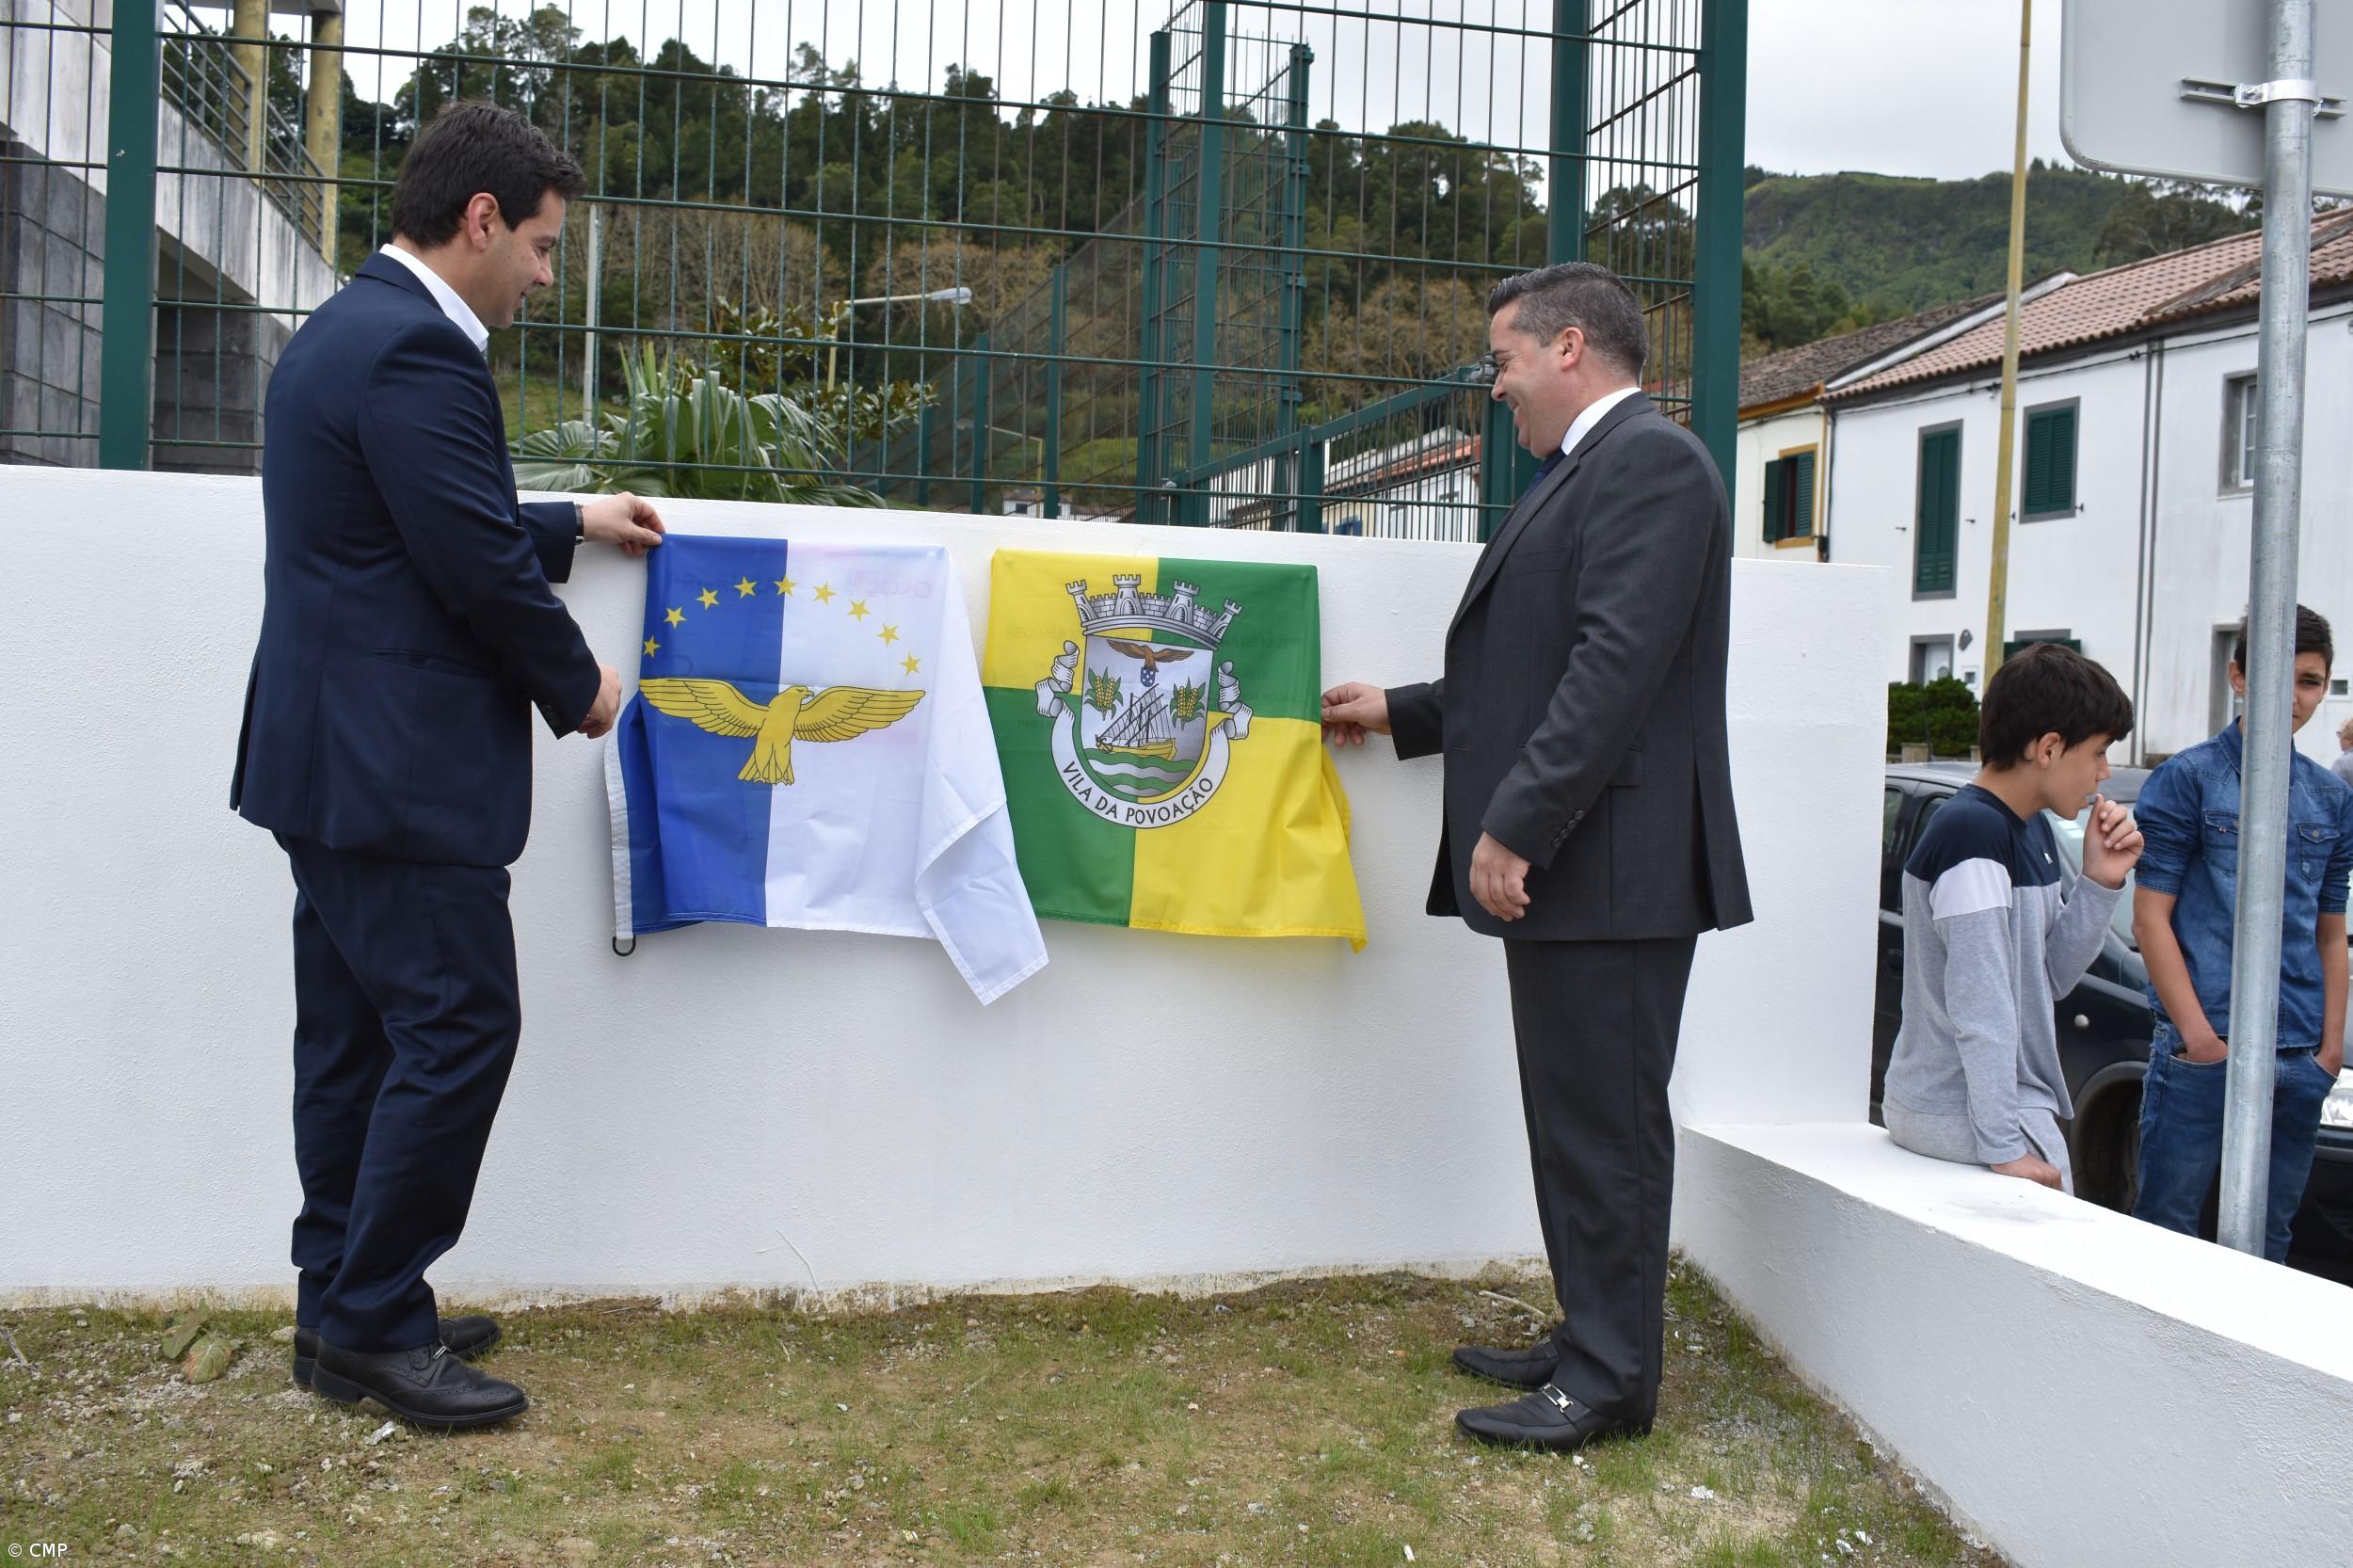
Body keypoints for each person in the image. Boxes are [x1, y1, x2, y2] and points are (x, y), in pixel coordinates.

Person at [230, 103, 665, 1428]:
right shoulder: (421, 351)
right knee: (461, 1025)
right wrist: (579, 683)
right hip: (401, 773)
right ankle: (373, 1322)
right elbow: (464, 559)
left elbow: (419, 518)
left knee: (357, 1038)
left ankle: (339, 1304)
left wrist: (569, 517)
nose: (545, 273)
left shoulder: (350, 330)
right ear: (480, 221)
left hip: (332, 761)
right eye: (540, 245)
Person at [1321, 261, 1750, 1453]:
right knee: (1573, 1120)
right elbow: (1535, 666)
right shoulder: (1586, 473)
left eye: (1501, 359)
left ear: (1570, 347)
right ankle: (1590, 1334)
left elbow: (1612, 668)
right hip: (1590, 862)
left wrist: (1515, 825)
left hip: (1607, 863)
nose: (1493, 385)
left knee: (1605, 1124)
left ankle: (1609, 1381)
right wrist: (1404, 712)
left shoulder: (1650, 464)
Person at [2131, 606, 2352, 1261]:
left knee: (2269, 1244)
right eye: (2277, 676)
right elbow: (2150, 919)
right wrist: (2201, 1041)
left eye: (2310, 682)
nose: (2294, 697)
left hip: (2298, 1056)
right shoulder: (2188, 778)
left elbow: (2331, 930)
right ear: (2238, 675)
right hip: (2206, 1048)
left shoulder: (2331, 799)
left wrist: (2330, 1053)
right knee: (2167, 1232)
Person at [1881, 645, 2142, 1193]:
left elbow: (2046, 979)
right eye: (2097, 752)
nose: (2105, 771)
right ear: (2048, 748)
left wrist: (2100, 880)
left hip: (1990, 1112)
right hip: (1969, 1118)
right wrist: (2004, 1147)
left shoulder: (2028, 826)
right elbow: (1984, 1005)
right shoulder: (1972, 834)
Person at [2333, 713, 2353, 790]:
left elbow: (2331, 791)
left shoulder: (2342, 763)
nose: (2339, 738)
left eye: (2340, 734)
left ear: (2351, 739)